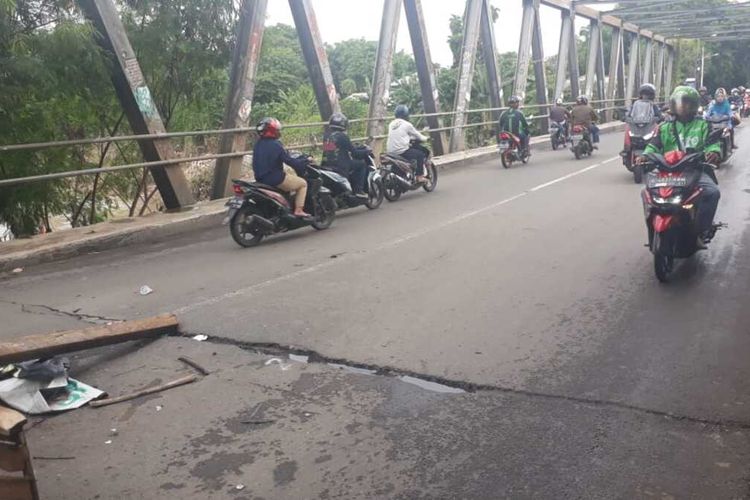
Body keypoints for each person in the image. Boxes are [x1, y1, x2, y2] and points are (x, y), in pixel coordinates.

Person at [638, 86, 721, 249]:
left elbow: (712, 144)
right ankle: (653, 227)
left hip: (694, 170)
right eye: (679, 103)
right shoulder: (664, 127)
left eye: (686, 103)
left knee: (712, 192)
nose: (682, 107)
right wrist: (644, 156)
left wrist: (713, 153)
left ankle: (701, 230)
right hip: (667, 171)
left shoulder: (703, 125)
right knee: (646, 194)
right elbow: (653, 146)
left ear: (694, 105)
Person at [252, 117, 311, 218]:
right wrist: (305, 161)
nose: (279, 132)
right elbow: (290, 161)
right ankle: (299, 210)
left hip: (260, 179)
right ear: (273, 131)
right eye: (278, 130)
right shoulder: (276, 145)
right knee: (302, 184)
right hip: (275, 179)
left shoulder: (258, 144)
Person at [321, 113, 368, 198]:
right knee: (361, 164)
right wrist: (366, 151)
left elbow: (329, 150)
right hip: (341, 166)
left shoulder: (327, 136)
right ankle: (358, 190)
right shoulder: (343, 137)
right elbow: (355, 153)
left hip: (327, 164)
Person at [386, 105, 430, 182]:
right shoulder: (407, 124)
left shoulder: (391, 124)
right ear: (406, 114)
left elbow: (400, 135)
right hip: (402, 151)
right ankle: (419, 176)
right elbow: (418, 135)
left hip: (390, 151)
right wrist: (426, 138)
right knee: (420, 155)